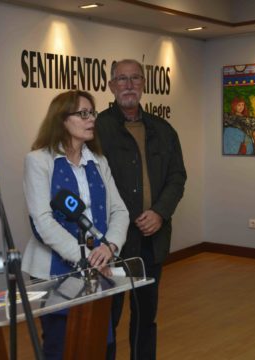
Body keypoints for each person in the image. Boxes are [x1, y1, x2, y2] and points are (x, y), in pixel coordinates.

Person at [22, 90, 129, 359]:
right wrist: (86, 257)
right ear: (62, 120)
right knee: (62, 347)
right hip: (54, 271)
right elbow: (42, 221)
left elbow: (119, 211)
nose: (91, 118)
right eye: (83, 113)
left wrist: (110, 247)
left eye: (92, 112)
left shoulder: (99, 161)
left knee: (99, 345)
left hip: (101, 268)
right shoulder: (38, 161)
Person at [96, 59, 187, 360]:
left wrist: (160, 212)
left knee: (145, 317)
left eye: (135, 78)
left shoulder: (163, 130)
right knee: (106, 321)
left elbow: (177, 177)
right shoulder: (97, 129)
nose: (129, 85)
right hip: (112, 244)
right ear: (111, 86)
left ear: (144, 84)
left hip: (151, 239)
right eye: (122, 79)